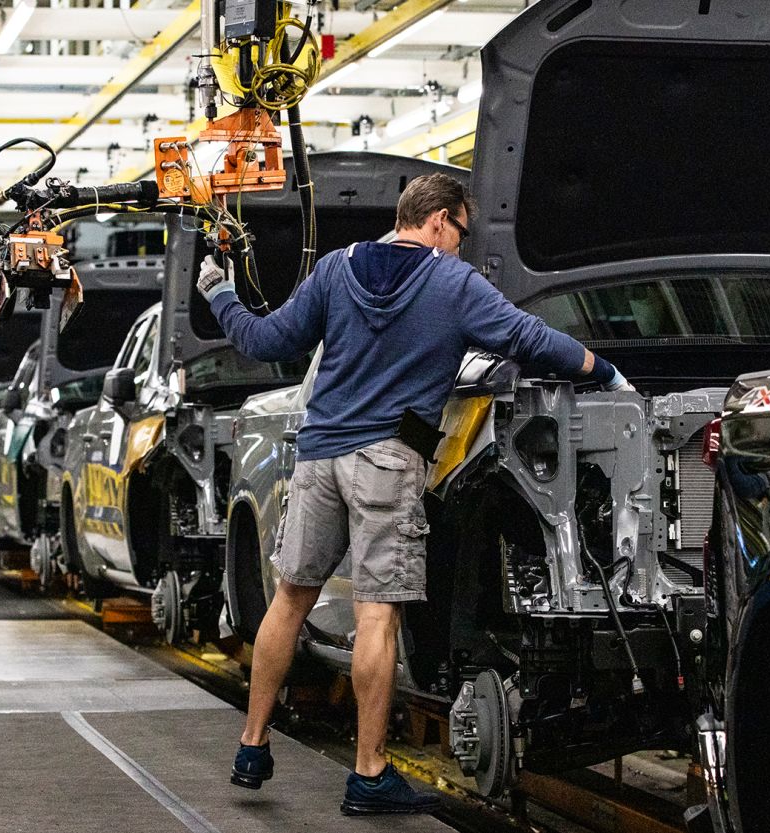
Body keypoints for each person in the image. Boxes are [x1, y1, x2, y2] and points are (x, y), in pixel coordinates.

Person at [198, 173, 631, 816]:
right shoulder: (452, 284)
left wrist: (220, 294)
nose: (461, 245)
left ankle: (252, 746)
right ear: (438, 221)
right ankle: (369, 775)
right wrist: (604, 370)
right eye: (460, 231)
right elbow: (528, 339)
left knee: (289, 599)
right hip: (386, 461)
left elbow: (267, 341)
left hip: (318, 456)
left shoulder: (338, 269)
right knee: (378, 615)